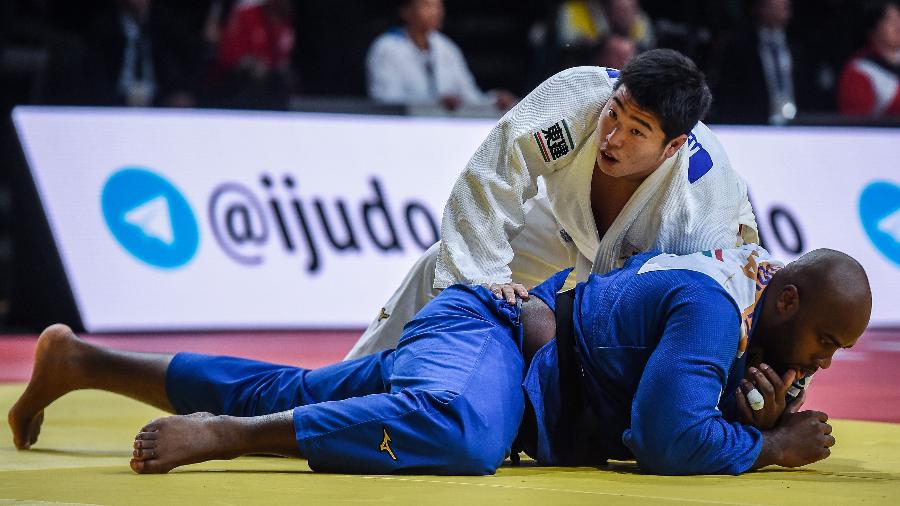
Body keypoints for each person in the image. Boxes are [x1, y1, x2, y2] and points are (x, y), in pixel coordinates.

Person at [7, 246, 871, 475]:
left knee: (308, 387)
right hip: (489, 344)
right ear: (785, 301)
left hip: (495, 342)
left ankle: (81, 359)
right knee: (462, 434)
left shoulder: (730, 296)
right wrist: (766, 446)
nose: (824, 365)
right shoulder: (721, 308)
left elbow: (612, 335)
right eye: (826, 342)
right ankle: (226, 435)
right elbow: (665, 435)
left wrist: (743, 403)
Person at [346, 48, 759, 359]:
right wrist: (485, 277)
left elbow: (709, 313)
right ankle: (348, 379)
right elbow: (497, 170)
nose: (612, 137)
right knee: (440, 264)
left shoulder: (697, 214)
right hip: (569, 223)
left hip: (653, 259)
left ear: (672, 147)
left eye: (637, 132)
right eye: (614, 114)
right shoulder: (578, 98)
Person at [365, 0, 516, 111]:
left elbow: (469, 96)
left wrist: (493, 100)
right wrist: (434, 103)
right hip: (403, 128)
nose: (435, 12)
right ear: (406, 11)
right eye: (426, 6)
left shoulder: (446, 47)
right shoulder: (386, 48)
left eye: (438, 6)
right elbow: (386, 101)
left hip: (444, 128)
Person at [714, 0, 800, 124]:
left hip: (796, 124)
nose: (778, 11)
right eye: (773, 6)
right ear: (759, 8)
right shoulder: (740, 47)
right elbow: (729, 91)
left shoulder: (795, 50)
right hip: (754, 124)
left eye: (783, 6)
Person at [837, 1, 900, 117]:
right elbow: (859, 124)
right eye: (890, 20)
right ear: (873, 28)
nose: (898, 25)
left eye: (899, 18)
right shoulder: (859, 70)